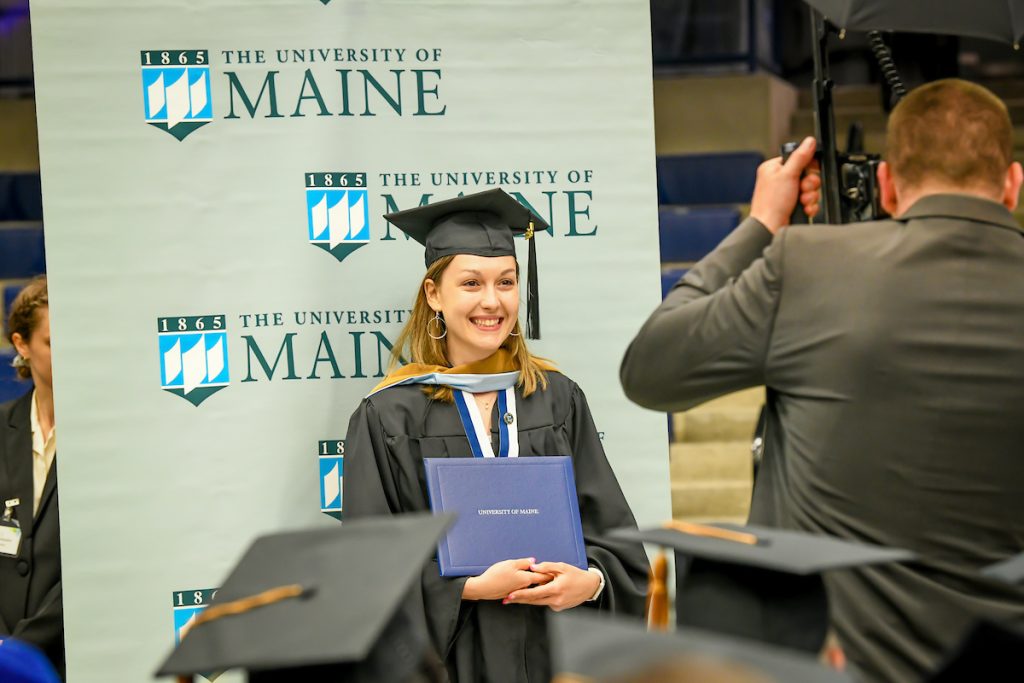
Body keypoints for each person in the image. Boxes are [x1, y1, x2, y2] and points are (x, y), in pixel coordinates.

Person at [620, 79, 1024, 682]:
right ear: (1013, 185)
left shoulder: (811, 265)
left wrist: (762, 223)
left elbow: (651, 370)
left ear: (886, 184)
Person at [344, 189, 649, 683]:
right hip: (452, 667)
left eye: (506, 282)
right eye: (471, 283)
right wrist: (466, 588)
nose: (493, 301)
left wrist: (590, 582)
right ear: (434, 295)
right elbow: (365, 572)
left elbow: (617, 543)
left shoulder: (556, 399)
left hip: (557, 661)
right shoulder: (388, 417)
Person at [0, 276, 62, 679]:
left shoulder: (105, 437)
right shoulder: (2, 426)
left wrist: (22, 648)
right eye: (53, 342)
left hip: (70, 653)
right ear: (21, 345)